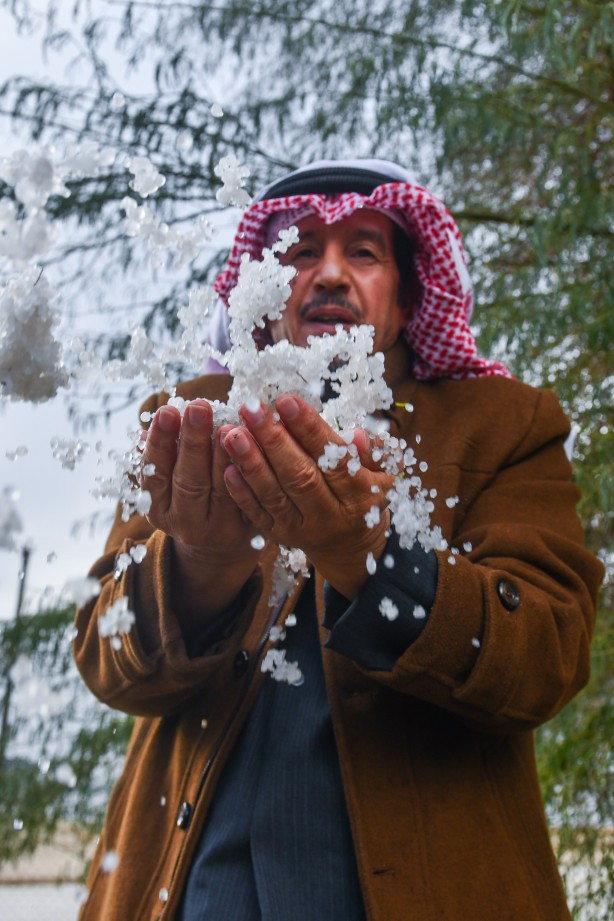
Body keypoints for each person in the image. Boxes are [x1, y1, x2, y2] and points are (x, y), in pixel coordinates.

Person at [74, 159, 603, 921]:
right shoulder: (189, 421)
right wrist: (204, 562)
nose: (329, 273)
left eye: (363, 251)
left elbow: (546, 657)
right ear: (264, 278)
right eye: (299, 251)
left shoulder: (504, 425)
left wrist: (375, 562)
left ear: (408, 290)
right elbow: (106, 656)